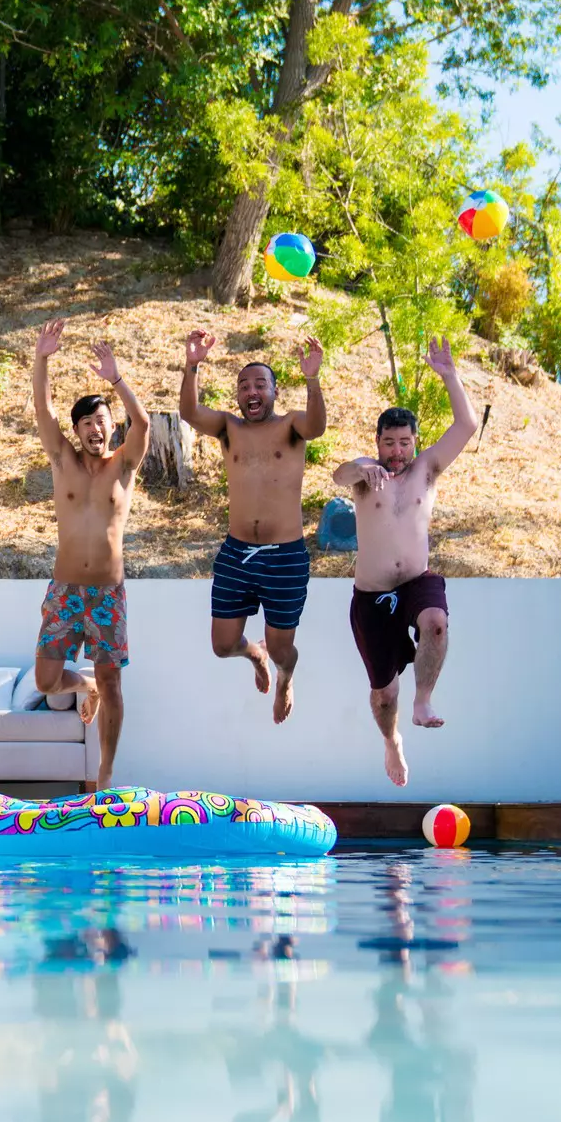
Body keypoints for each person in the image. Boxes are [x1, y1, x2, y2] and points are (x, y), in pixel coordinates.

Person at [332, 338, 479, 786]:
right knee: (382, 694)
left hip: (417, 580)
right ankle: (392, 739)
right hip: (372, 596)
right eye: (388, 443)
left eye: (404, 443)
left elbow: (466, 426)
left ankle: (425, 699)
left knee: (436, 621)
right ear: (378, 442)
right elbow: (338, 474)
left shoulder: (426, 471)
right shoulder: (364, 478)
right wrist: (360, 465)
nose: (396, 451)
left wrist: (449, 375)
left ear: (415, 443)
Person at [179, 330, 327, 724]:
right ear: (238, 396)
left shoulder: (292, 426)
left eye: (260, 383)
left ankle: (284, 675)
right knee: (223, 645)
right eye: (244, 386)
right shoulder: (230, 428)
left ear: (275, 392)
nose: (251, 390)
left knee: (283, 650)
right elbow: (190, 413)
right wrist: (192, 364)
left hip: (285, 557)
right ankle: (254, 653)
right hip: (237, 552)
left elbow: (317, 426)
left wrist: (312, 379)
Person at [29, 318, 148, 792]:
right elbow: (42, 409)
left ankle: (105, 773)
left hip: (107, 592)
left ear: (110, 426)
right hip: (65, 591)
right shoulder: (64, 461)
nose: (96, 429)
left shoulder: (125, 464)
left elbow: (142, 422)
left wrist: (116, 379)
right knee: (45, 681)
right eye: (87, 423)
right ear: (77, 431)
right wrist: (42, 359)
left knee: (115, 683)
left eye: (102, 422)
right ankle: (85, 687)